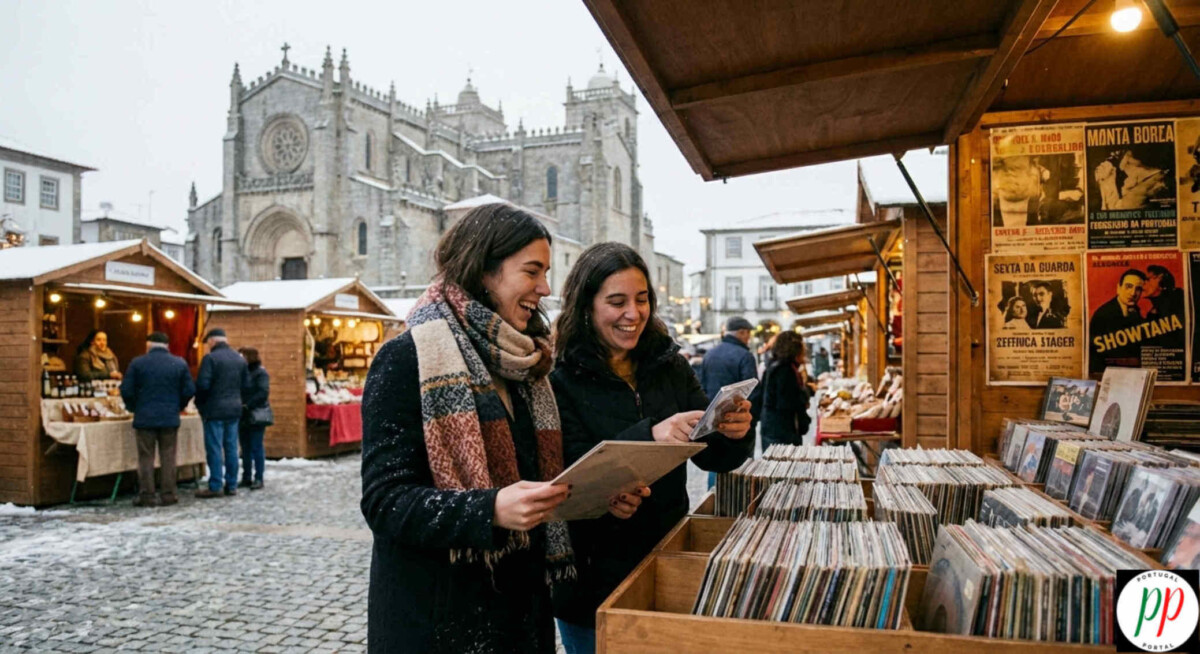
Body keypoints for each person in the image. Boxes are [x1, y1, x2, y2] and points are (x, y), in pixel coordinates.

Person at [359, 204, 642, 653]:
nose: (545, 288)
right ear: (484, 270)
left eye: (546, 272)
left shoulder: (526, 364)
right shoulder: (405, 358)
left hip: (520, 616)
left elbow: (538, 481)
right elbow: (384, 502)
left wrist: (599, 494)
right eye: (532, 272)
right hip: (438, 621)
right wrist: (489, 510)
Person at [550, 242, 753, 654]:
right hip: (593, 578)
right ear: (586, 306)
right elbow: (564, 472)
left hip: (665, 559)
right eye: (617, 301)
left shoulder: (668, 364)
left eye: (642, 299)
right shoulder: (560, 380)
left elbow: (713, 456)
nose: (633, 314)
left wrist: (735, 432)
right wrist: (650, 437)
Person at [119, 332, 195, 507]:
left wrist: (134, 407)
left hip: (144, 418)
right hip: (169, 417)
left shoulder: (137, 363)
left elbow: (127, 390)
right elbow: (189, 389)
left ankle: (147, 495)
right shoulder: (179, 363)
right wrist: (178, 406)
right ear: (167, 346)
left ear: (148, 345)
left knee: (146, 457)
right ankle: (168, 494)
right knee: (168, 456)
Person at [195, 328, 248, 499]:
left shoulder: (210, 359)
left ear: (212, 341)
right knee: (232, 448)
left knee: (215, 448)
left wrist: (200, 404)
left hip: (214, 409)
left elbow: (203, 385)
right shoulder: (239, 359)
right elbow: (246, 385)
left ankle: (215, 485)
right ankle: (231, 484)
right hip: (234, 409)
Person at [759, 331, 812, 449]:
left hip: (772, 427)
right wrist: (805, 394)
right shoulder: (785, 370)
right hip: (782, 431)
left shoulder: (774, 366)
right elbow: (787, 402)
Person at [1088, 268, 1146, 373]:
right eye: (1128, 287)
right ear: (1118, 288)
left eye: (1138, 289)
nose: (1133, 293)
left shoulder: (1135, 311)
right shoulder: (1104, 314)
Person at [700, 316, 757, 402]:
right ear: (740, 333)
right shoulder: (745, 355)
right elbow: (751, 388)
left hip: (711, 407)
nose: (749, 337)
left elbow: (703, 384)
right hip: (736, 410)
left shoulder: (709, 354)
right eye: (748, 332)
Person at [238, 347, 271, 490]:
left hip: (255, 413)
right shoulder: (244, 373)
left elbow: (263, 393)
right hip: (244, 413)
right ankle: (246, 476)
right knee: (245, 447)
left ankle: (258, 477)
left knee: (256, 446)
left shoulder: (260, 373)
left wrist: (247, 405)